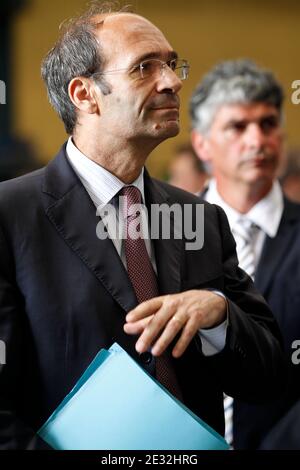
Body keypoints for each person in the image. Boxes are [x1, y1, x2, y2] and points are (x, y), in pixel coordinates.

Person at [0, 4, 286, 450]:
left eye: (172, 65)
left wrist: (219, 313)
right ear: (84, 94)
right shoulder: (10, 214)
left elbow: (271, 374)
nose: (172, 81)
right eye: (144, 67)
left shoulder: (201, 217)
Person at [190, 59, 300, 449]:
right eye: (237, 126)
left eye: (268, 124)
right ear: (201, 142)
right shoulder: (163, 235)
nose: (257, 140)